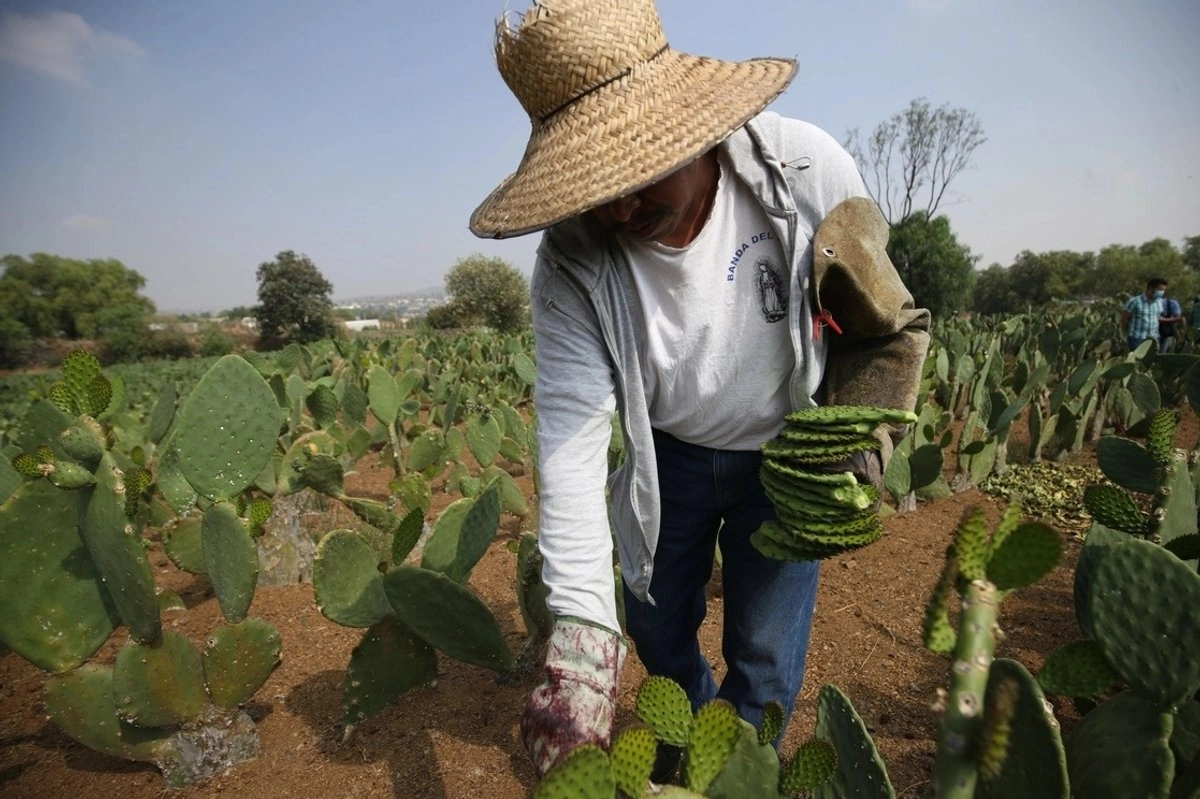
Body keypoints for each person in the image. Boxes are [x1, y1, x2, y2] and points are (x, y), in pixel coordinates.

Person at [469, 0, 930, 778]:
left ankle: (737, 774)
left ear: (692, 128)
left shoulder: (807, 173)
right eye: (595, 185)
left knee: (766, 646)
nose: (618, 207)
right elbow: (573, 438)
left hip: (787, 454)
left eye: (636, 174)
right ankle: (690, 732)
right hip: (669, 458)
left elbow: (885, 330)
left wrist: (852, 450)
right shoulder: (573, 260)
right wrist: (582, 643)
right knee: (656, 627)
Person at [1121, 278, 1169, 353]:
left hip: (1153, 339)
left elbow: (1157, 317)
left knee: (1150, 362)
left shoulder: (1159, 302)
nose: (1162, 292)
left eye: (1163, 290)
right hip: (1136, 338)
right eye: (1160, 290)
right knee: (1136, 362)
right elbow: (1125, 318)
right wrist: (1126, 334)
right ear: (1151, 288)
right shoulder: (1134, 301)